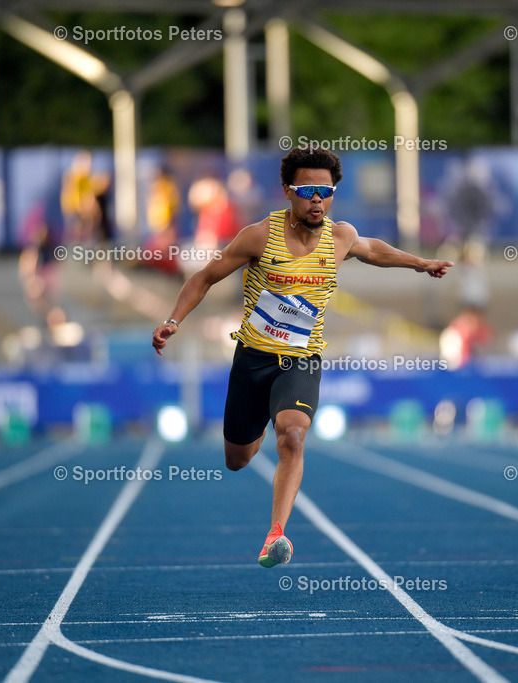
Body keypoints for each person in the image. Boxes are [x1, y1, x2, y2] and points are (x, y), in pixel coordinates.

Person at [152, 146, 452, 567]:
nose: (317, 200)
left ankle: (276, 534)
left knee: (293, 436)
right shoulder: (258, 236)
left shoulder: (340, 236)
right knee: (238, 459)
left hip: (301, 359)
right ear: (288, 192)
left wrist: (420, 263)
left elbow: (375, 250)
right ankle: (254, 436)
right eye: (308, 190)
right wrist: (174, 321)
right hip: (252, 359)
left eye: (326, 192)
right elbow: (204, 278)